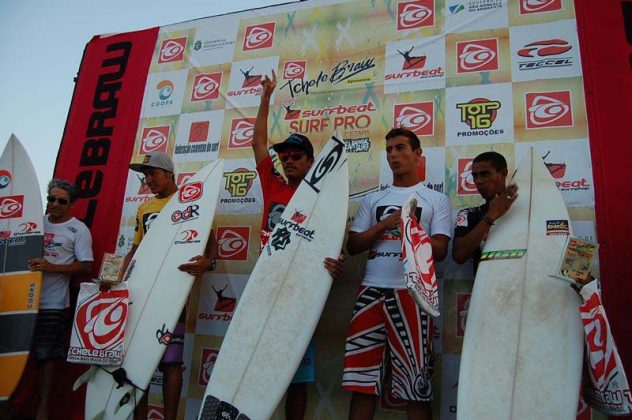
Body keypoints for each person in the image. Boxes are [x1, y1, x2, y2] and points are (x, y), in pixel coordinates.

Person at [342, 128, 452, 420]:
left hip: (414, 296)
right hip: (371, 292)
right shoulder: (373, 200)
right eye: (389, 149)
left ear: (417, 155)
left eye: (401, 148)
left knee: (416, 386)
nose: (393, 154)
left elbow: (440, 250)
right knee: (362, 385)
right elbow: (353, 246)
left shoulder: (435, 200)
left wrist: (410, 228)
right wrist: (385, 224)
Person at [253, 69, 344, 420]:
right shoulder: (273, 186)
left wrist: (338, 265)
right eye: (285, 156)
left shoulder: (323, 200)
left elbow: (335, 244)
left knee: (296, 376)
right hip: (265, 285)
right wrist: (265, 99)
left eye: (296, 156)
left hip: (300, 291)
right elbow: (258, 144)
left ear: (309, 161)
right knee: (257, 368)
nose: (288, 160)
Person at [122, 151, 217, 420]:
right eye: (145, 175)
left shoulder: (190, 200)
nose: (148, 180)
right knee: (137, 359)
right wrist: (121, 279)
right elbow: (136, 249)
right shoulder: (144, 208)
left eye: (153, 173)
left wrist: (207, 263)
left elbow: (211, 242)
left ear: (169, 174)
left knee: (171, 360)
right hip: (141, 291)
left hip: (174, 289)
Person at [27, 179, 94, 420]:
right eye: (51, 199)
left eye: (61, 201)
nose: (54, 204)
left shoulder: (79, 230)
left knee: (47, 358)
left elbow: (86, 266)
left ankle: (42, 411)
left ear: (72, 204)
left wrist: (52, 266)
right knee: (14, 356)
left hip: (53, 303)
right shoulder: (35, 222)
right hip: (21, 300)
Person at [452, 151, 518, 272]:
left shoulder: (524, 209)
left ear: (503, 173)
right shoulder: (469, 214)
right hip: (486, 288)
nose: (478, 181)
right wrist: (491, 215)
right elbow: (459, 256)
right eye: (475, 175)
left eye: (485, 174)